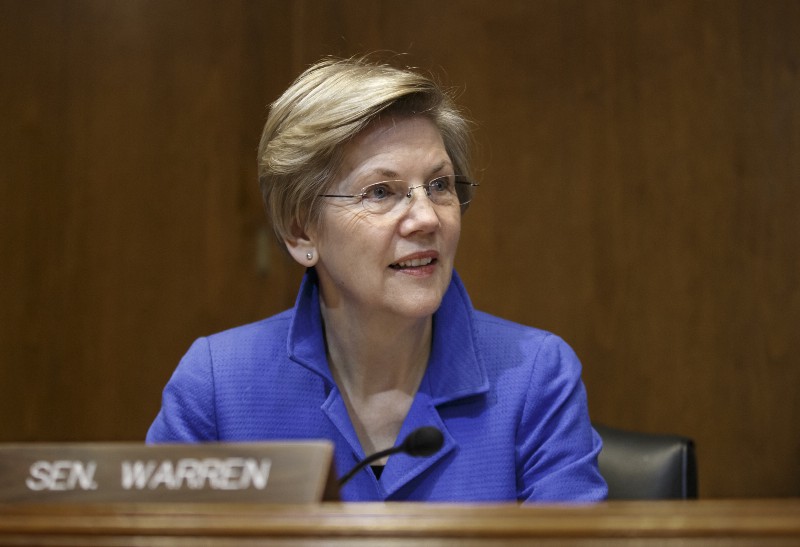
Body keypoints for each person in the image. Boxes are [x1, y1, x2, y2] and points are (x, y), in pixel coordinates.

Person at [146, 56, 607, 503]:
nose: (426, 218)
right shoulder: (218, 385)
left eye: (440, 185)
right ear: (301, 230)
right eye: (381, 192)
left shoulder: (534, 376)